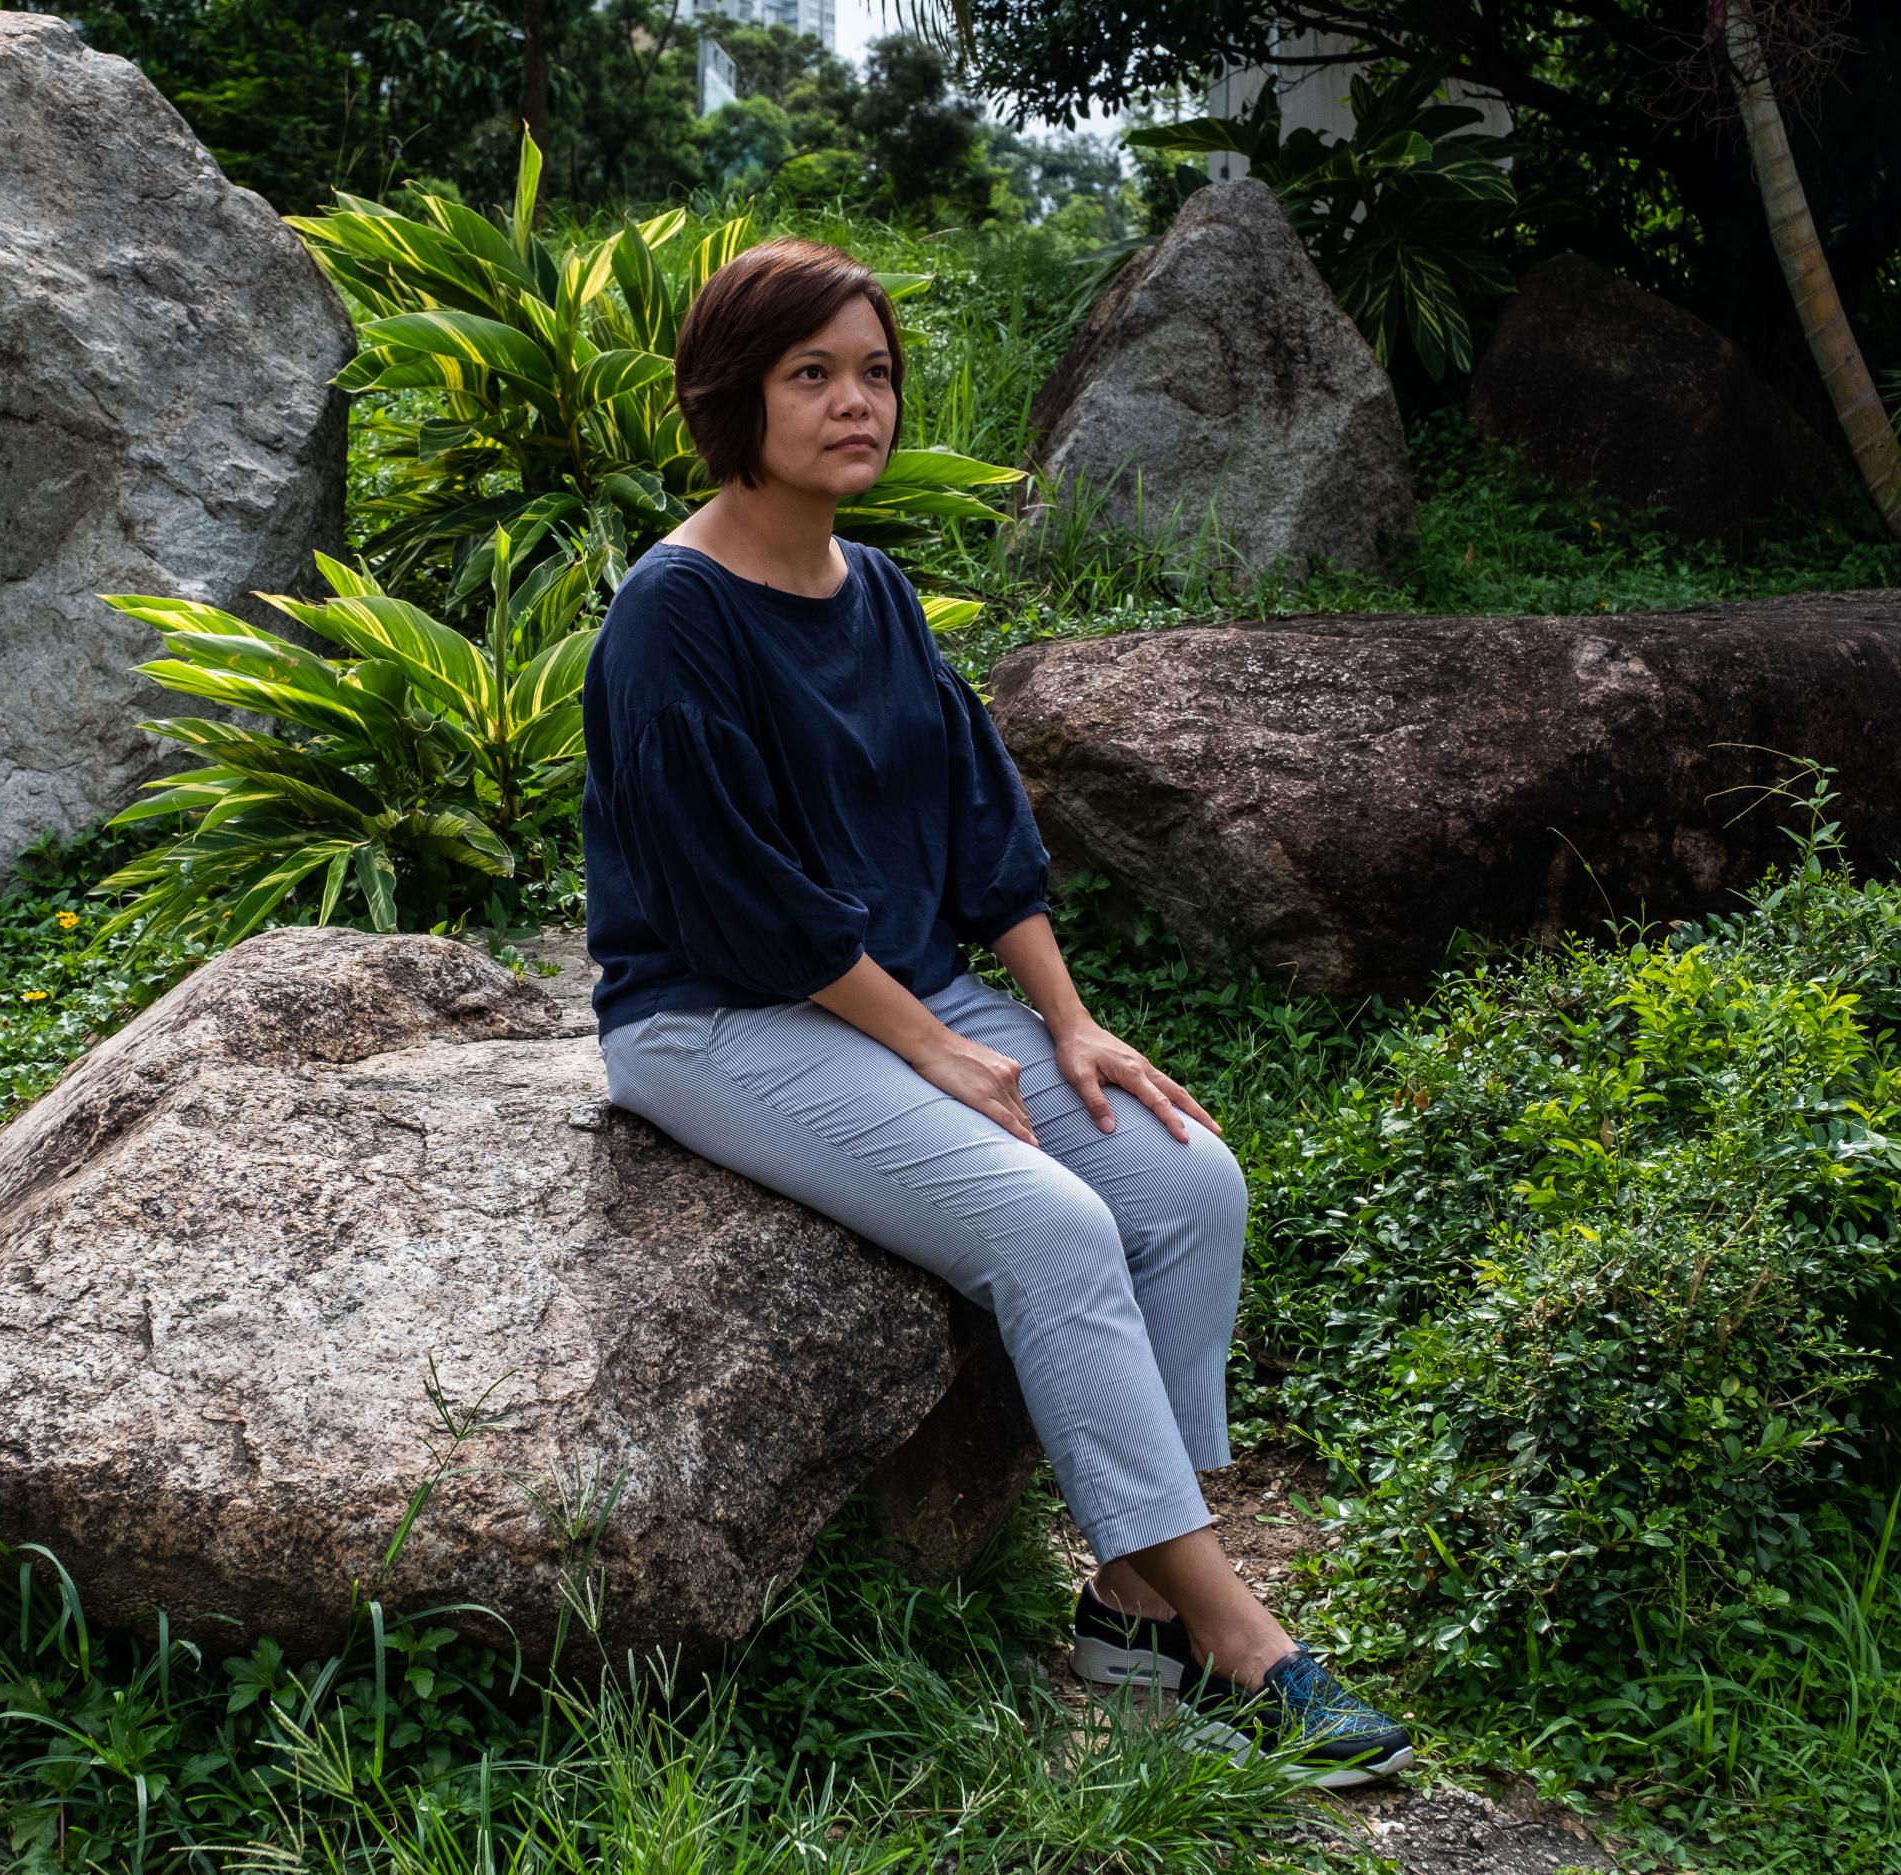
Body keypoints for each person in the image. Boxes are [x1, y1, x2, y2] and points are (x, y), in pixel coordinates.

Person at [578, 236, 1413, 1789]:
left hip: (907, 991)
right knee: (1054, 1229)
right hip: (717, 1017)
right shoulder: (671, 617)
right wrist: (929, 1043)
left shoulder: (874, 591)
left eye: (874, 372)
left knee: (1184, 1184)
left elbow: (980, 826)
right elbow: (734, 897)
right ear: (731, 397)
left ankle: (1124, 1612)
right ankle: (1246, 1642)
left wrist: (1068, 1024)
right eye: (810, 374)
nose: (855, 403)